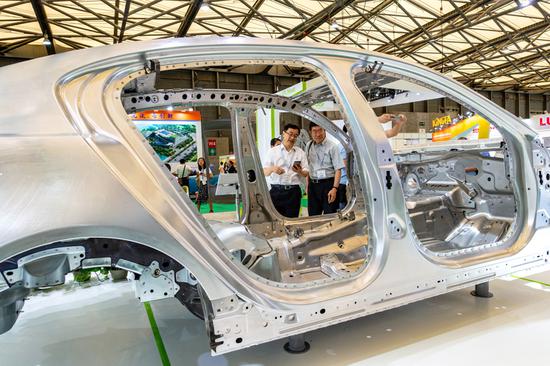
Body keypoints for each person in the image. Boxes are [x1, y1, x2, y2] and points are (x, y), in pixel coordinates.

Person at [263, 123, 308, 218]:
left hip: (293, 192)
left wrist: (299, 171)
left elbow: (306, 173)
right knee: (275, 220)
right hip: (276, 191)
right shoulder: (272, 151)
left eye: (295, 136)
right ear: (284, 133)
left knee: (292, 221)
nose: (292, 137)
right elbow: (264, 172)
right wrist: (272, 168)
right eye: (290, 134)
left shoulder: (300, 152)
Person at [306, 122, 344, 215]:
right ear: (310, 132)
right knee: (313, 216)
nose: (318, 134)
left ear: (325, 131)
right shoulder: (308, 145)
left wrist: (334, 188)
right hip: (313, 185)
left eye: (320, 130)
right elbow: (308, 166)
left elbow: (338, 169)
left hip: (328, 185)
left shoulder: (332, 146)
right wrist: (307, 185)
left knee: (330, 215)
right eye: (314, 131)